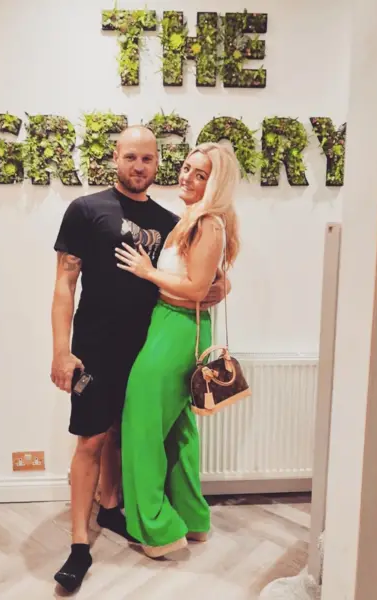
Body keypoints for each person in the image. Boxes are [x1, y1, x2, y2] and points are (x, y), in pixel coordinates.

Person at [50, 127, 229, 593]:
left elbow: (201, 273)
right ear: (116, 158)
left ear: (156, 163)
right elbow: (64, 285)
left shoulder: (174, 219)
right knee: (90, 440)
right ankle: (77, 544)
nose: (139, 166)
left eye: (148, 159)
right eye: (131, 157)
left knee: (127, 434)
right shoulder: (86, 210)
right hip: (94, 347)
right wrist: (61, 349)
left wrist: (221, 286)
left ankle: (112, 508)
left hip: (150, 345)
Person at [114, 141, 241, 558]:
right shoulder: (193, 220)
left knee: (142, 425)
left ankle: (158, 528)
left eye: (200, 174)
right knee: (178, 431)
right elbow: (209, 286)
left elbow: (196, 289)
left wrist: (148, 272)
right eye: (187, 168)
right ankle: (192, 519)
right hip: (171, 326)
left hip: (175, 331)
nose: (187, 177)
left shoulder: (208, 223)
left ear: (215, 183)